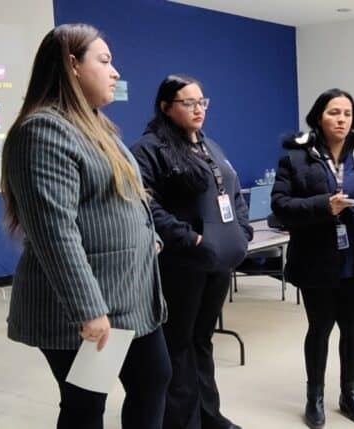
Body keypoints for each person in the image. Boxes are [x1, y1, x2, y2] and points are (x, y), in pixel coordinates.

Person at [0, 24, 171, 429]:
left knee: (153, 379)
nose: (115, 72)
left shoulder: (96, 126)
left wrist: (152, 238)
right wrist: (89, 310)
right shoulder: (43, 130)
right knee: (86, 404)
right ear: (71, 65)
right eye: (105, 61)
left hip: (127, 294)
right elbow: (53, 231)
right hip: (88, 307)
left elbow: (125, 198)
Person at [271, 88, 354, 428]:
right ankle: (314, 396)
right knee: (320, 328)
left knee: (352, 328)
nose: (341, 119)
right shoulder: (296, 158)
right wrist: (323, 207)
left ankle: (349, 393)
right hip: (317, 260)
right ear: (318, 117)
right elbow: (281, 207)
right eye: (333, 112)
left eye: (347, 113)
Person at [130, 75, 252, 429]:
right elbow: (145, 207)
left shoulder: (210, 146)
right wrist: (190, 240)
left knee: (202, 340)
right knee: (178, 345)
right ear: (166, 107)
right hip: (181, 264)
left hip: (217, 261)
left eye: (202, 102)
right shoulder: (148, 149)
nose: (198, 109)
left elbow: (233, 193)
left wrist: (241, 231)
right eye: (189, 103)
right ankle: (184, 422)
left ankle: (209, 416)